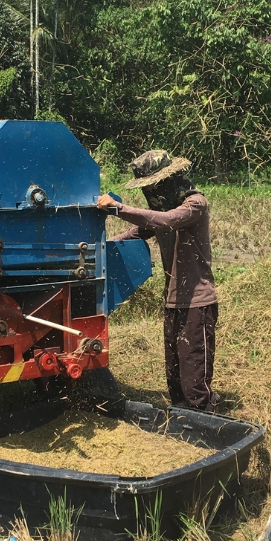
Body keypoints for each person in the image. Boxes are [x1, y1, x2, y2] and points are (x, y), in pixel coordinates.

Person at [96, 150, 219, 411]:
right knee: (174, 371)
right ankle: (182, 418)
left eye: (154, 186)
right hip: (173, 300)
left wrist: (119, 208)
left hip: (197, 301)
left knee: (194, 371)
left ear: (169, 180)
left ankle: (207, 420)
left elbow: (165, 221)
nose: (151, 193)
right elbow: (135, 232)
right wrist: (96, 248)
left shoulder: (194, 204)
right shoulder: (164, 210)